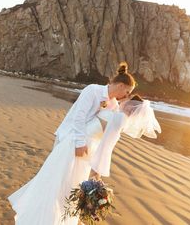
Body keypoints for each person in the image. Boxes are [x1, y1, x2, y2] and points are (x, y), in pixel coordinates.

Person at [8, 62, 136, 225]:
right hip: (70, 140)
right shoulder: (93, 90)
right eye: (127, 91)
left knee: (71, 188)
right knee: (56, 182)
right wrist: (80, 144)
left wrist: (96, 166)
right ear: (120, 85)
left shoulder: (114, 105)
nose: (126, 95)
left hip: (87, 152)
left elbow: (106, 135)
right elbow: (78, 117)